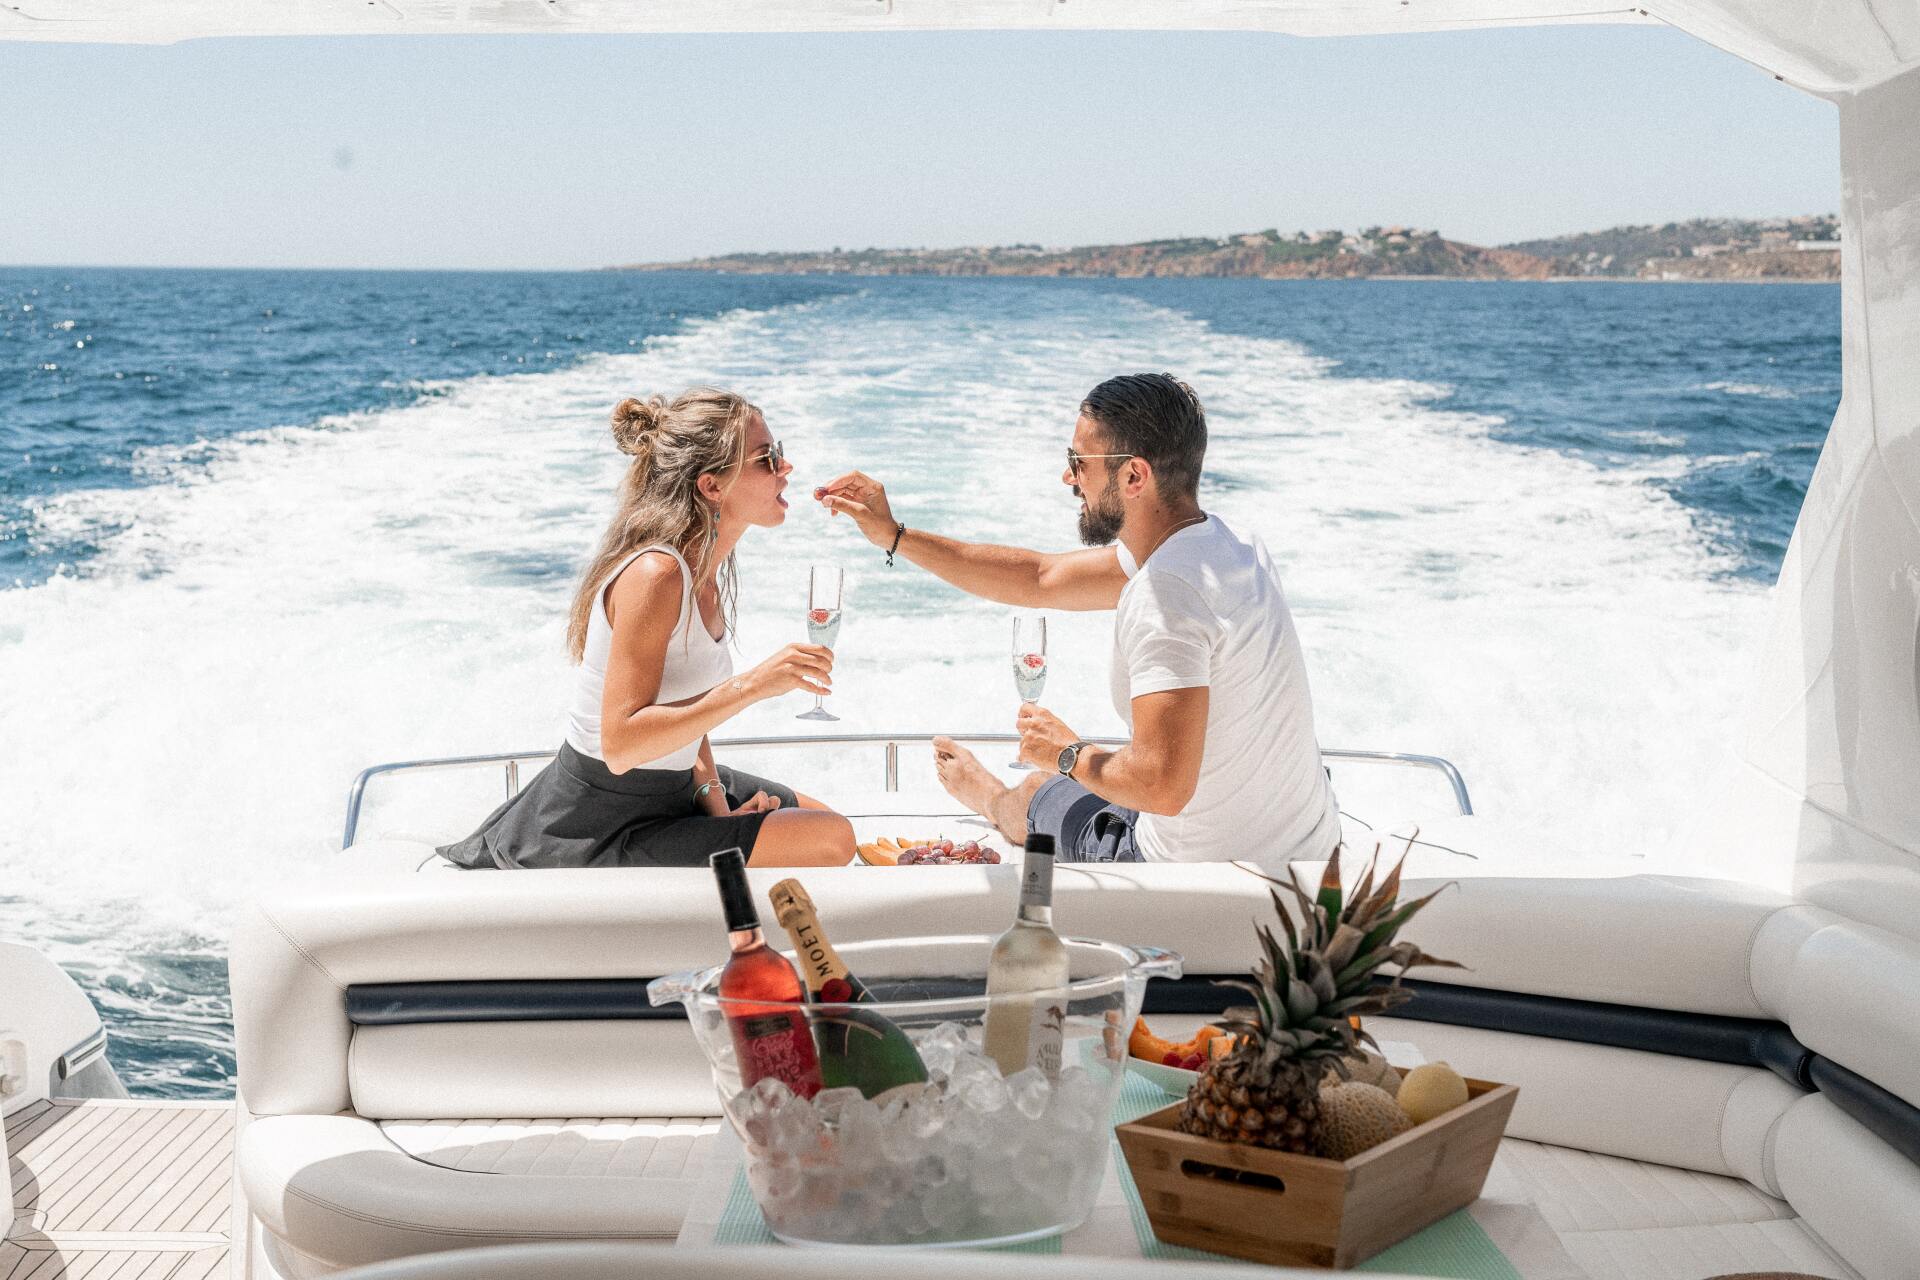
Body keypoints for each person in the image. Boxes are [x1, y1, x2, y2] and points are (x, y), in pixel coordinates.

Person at [817, 373, 1339, 869]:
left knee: (1037, 790)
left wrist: (1065, 753)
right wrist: (894, 535)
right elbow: (1041, 577)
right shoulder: (1229, 547)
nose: (1069, 477)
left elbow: (1162, 787)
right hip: (1311, 854)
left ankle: (993, 799)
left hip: (1190, 870)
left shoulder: (1165, 595)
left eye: (1078, 461)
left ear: (1134, 475)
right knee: (1096, 772)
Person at [441, 389, 855, 869]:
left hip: (675, 789)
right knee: (833, 839)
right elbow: (620, 745)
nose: (786, 468)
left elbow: (687, 704)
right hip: (602, 822)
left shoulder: (705, 576)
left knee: (823, 819)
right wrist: (753, 686)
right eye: (768, 458)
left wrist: (716, 809)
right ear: (712, 487)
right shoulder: (655, 575)